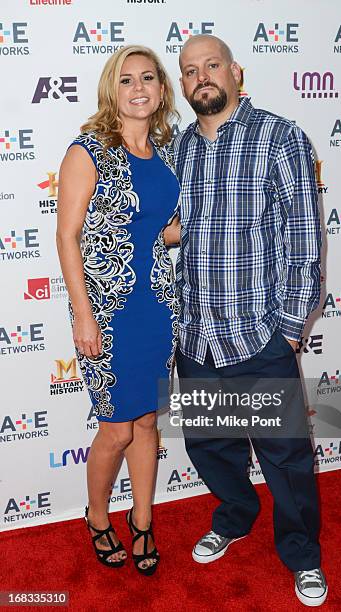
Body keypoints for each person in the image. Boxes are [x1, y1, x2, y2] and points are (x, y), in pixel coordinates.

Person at [172, 34, 327, 606]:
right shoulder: (180, 149)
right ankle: (235, 516)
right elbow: (174, 231)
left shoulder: (280, 136)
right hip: (197, 337)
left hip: (259, 337)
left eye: (211, 65)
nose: (201, 77)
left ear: (236, 71)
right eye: (190, 71)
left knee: (284, 456)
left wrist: (287, 330)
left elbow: (304, 239)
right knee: (210, 446)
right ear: (183, 84)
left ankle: (302, 555)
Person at [56, 45, 180, 575]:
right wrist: (83, 314)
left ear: (160, 89)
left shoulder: (167, 152)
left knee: (148, 420)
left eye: (147, 78)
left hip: (158, 305)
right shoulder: (88, 151)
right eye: (126, 79)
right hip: (107, 309)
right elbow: (67, 236)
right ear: (113, 89)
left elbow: (157, 229)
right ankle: (98, 516)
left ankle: (144, 521)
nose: (138, 88)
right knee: (117, 428)